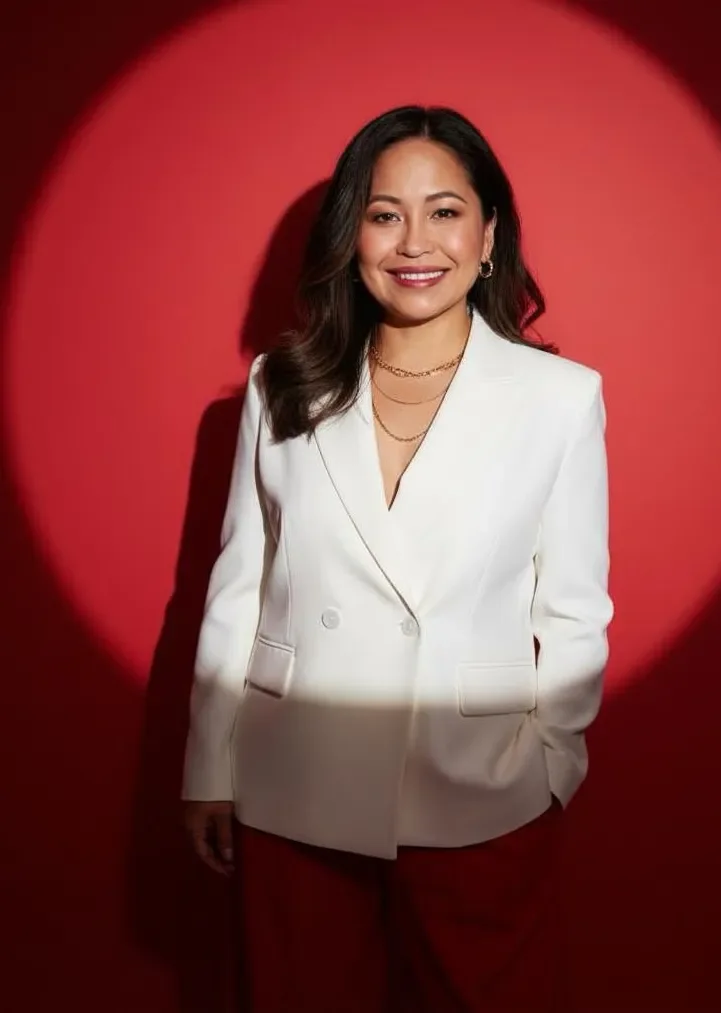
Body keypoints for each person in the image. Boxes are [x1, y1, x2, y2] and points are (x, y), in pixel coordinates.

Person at [182, 105, 614, 1013]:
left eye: (445, 210)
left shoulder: (560, 400)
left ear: (490, 232)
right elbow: (239, 586)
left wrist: (552, 767)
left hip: (477, 782)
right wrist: (209, 768)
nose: (414, 240)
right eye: (384, 213)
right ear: (352, 234)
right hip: (294, 776)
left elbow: (573, 608)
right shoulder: (282, 382)